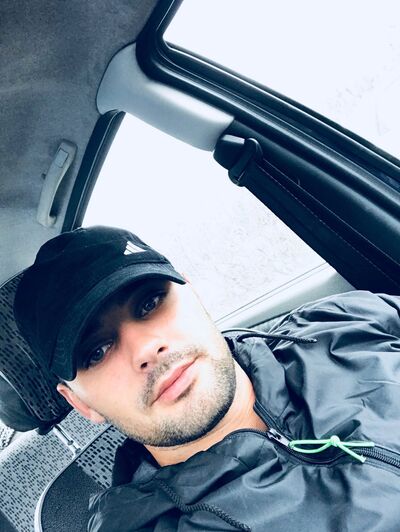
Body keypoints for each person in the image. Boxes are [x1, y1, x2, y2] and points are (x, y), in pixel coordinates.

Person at [13, 225, 400, 532]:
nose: (147, 348)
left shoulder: (344, 319)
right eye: (96, 351)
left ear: (193, 294)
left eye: (150, 302)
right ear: (81, 403)